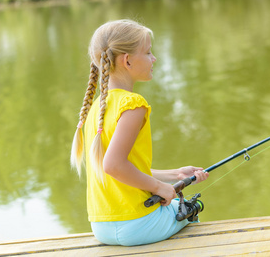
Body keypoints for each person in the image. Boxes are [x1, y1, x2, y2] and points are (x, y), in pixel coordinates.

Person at [70, 19, 209, 246]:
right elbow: (113, 165)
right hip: (137, 224)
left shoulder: (96, 108)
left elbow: (125, 169)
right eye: (148, 52)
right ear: (127, 60)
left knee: (179, 207)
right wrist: (159, 188)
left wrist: (175, 175)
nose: (154, 58)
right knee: (191, 209)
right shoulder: (133, 104)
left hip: (101, 227)